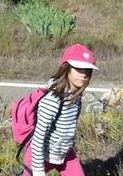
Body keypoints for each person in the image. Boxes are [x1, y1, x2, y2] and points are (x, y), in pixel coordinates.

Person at [24, 44, 98, 176]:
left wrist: (70, 146)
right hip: (40, 154)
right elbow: (38, 137)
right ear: (67, 68)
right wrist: (38, 171)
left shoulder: (77, 96)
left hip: (64, 154)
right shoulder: (54, 98)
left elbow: (70, 127)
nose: (84, 74)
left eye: (87, 70)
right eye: (79, 69)